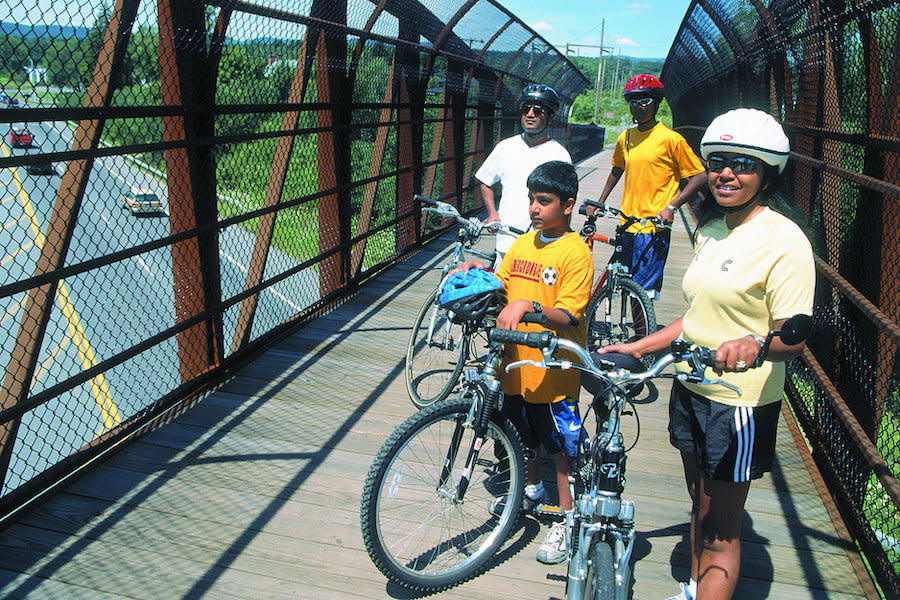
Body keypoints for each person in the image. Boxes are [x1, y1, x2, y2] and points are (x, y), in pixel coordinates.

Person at [599, 108, 815, 600]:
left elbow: (793, 337)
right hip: (691, 386)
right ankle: (694, 589)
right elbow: (694, 319)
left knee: (721, 531)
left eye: (744, 164)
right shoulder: (713, 231)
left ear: (767, 172)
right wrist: (636, 346)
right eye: (719, 162)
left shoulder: (785, 240)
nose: (727, 174)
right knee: (698, 502)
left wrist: (755, 345)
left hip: (738, 403)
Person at [454, 160, 593, 565]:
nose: (534, 208)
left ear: (567, 205)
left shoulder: (576, 253)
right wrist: (480, 274)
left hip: (554, 370)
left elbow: (568, 314)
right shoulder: (522, 244)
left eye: (544, 201)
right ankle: (530, 490)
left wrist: (528, 304)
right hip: (514, 364)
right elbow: (504, 287)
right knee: (522, 435)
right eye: (531, 199)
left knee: (562, 448)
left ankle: (568, 519)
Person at [594, 74, 707, 299]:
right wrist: (600, 201)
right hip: (627, 223)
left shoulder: (670, 139)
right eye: (633, 102)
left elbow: (699, 176)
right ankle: (634, 333)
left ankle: (640, 335)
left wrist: (672, 207)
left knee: (643, 292)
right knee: (624, 283)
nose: (639, 107)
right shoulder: (625, 137)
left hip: (653, 226)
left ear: (656, 103)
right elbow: (617, 170)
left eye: (645, 101)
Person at [475, 83, 572, 264]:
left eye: (538, 111)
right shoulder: (505, 147)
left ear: (550, 117)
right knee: (502, 291)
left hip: (544, 243)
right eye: (525, 109)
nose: (530, 114)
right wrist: (492, 214)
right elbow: (485, 180)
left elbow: (567, 202)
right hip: (507, 239)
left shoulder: (560, 155)